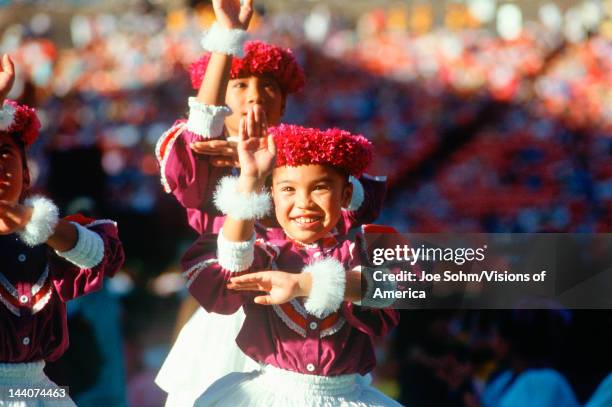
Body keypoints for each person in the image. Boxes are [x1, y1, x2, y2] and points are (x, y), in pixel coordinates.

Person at [155, 1, 387, 404]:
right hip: (231, 316)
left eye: (268, 87)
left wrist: (283, 160)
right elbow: (194, 144)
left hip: (313, 307)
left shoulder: (306, 160)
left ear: (284, 103)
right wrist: (226, 41)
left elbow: (361, 200)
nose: (254, 97)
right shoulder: (204, 157)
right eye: (240, 85)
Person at [182, 119, 401, 406]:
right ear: (271, 193)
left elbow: (396, 288)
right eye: (288, 189)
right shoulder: (267, 252)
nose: (304, 202)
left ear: (346, 195)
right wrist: (250, 181)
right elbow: (230, 268)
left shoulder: (363, 251)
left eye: (320, 188)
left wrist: (303, 284)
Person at [0, 54, 125, 406]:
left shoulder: (53, 237)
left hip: (36, 391)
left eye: (4, 153)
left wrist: (35, 223)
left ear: (26, 173)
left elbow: (101, 255)